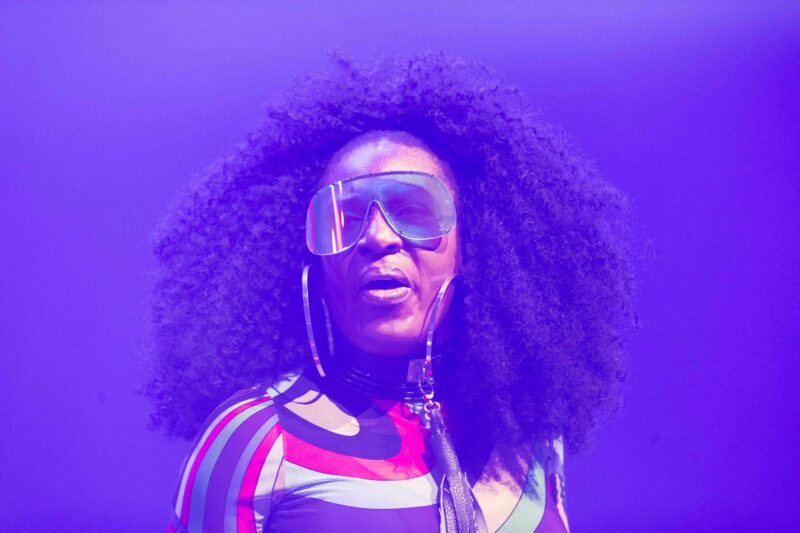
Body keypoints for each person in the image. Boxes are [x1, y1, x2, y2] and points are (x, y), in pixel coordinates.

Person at [147, 53, 636, 532]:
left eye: (413, 209)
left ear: (473, 246)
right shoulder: (255, 439)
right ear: (314, 263)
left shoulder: (528, 433)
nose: (378, 237)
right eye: (345, 218)